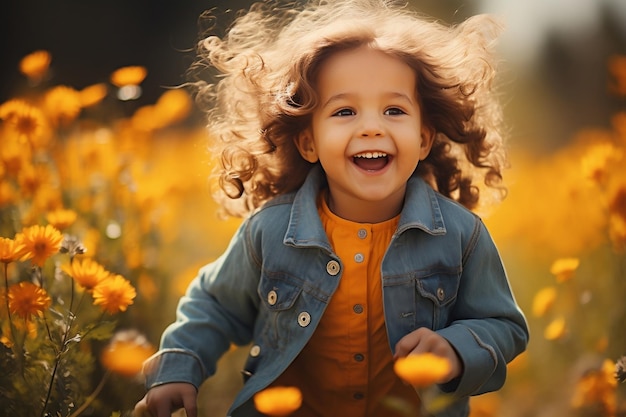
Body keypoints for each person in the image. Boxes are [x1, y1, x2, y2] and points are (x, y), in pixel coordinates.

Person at [134, 0, 529, 416]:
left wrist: (456, 349)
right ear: (308, 142)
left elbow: (504, 326)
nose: (372, 126)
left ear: (424, 137)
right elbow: (213, 305)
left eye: (394, 110)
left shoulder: (461, 236)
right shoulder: (269, 233)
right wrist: (178, 369)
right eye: (344, 111)